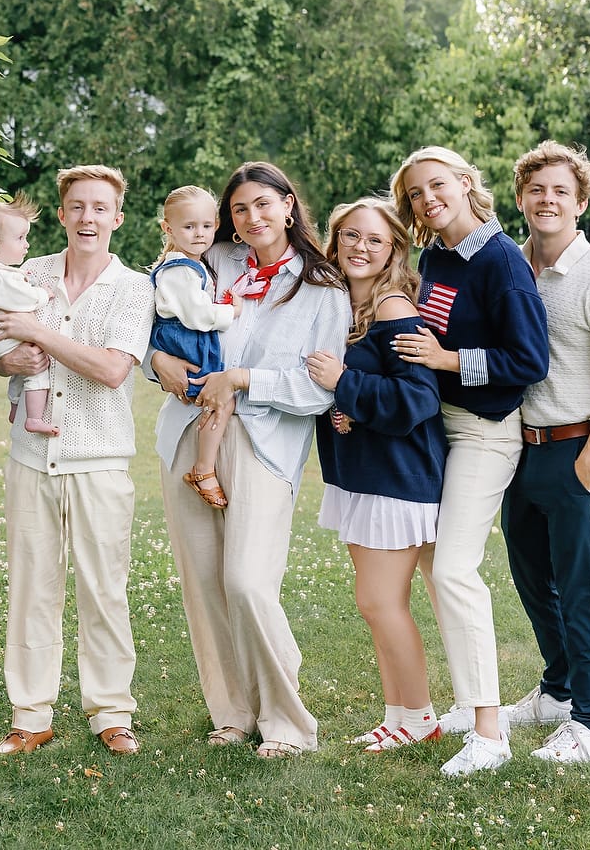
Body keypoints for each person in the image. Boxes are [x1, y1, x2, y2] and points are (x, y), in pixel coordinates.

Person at [151, 161, 350, 759]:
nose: (252, 217)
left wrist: (243, 378)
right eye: (239, 209)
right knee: (205, 584)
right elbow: (153, 322)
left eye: (263, 204)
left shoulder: (324, 288)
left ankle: (287, 722)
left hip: (265, 442)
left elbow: (318, 390)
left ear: (289, 205)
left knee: (246, 580)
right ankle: (233, 713)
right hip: (189, 430)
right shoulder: (209, 262)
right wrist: (155, 363)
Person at [388, 145, 549, 776]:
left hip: (486, 430)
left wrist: (449, 362)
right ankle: (466, 702)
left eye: (437, 186)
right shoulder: (435, 258)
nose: (428, 200)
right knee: (436, 568)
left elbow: (529, 361)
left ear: (464, 182)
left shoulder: (503, 263)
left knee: (454, 569)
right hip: (437, 426)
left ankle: (491, 734)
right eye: (416, 196)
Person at [0, 164, 154, 757]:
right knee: (32, 588)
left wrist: (41, 334)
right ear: (61, 214)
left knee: (104, 591)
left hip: (100, 458)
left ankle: (111, 713)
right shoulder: (28, 272)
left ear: (117, 218)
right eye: (77, 206)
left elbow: (111, 370)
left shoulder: (135, 287)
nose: (88, 217)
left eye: (100, 208)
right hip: (33, 456)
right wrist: (10, 364)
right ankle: (31, 716)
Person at [502, 141, 590, 763]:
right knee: (533, 580)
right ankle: (558, 690)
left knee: (581, 588)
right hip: (520, 452)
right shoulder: (511, 269)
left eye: (561, 191)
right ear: (521, 199)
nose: (548, 200)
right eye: (537, 190)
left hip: (580, 448)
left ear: (580, 202)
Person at [307, 197, 445, 753]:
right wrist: (344, 399)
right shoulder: (341, 308)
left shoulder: (392, 310)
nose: (361, 248)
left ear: (393, 249)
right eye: (350, 237)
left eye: (375, 240)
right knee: (375, 604)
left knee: (381, 601)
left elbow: (418, 400)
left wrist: (345, 385)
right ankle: (399, 715)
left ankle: (421, 717)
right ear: (334, 242)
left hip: (398, 478)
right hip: (359, 474)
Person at [149, 185, 240, 509]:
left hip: (187, 341)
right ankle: (203, 469)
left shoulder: (192, 264)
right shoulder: (180, 270)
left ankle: (204, 466)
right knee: (220, 402)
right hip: (185, 343)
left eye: (206, 225)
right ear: (168, 228)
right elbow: (199, 316)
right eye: (189, 227)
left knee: (216, 402)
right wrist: (231, 311)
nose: (199, 234)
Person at [0, 194, 55, 435]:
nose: (26, 244)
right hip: (3, 339)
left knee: (20, 373)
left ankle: (16, 407)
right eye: (20, 238)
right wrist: (44, 294)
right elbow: (24, 298)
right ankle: (34, 417)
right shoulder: (0, 277)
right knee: (37, 369)